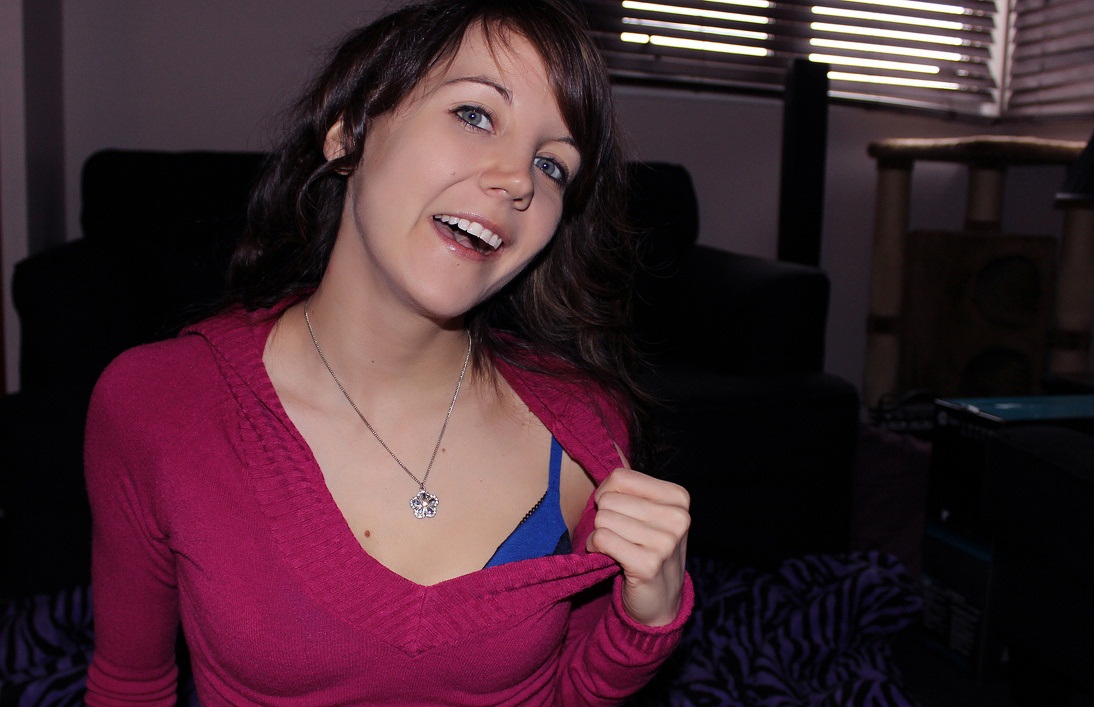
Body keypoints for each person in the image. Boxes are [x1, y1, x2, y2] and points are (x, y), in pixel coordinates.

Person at [82, 0, 693, 704]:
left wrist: (647, 624)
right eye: (475, 114)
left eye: (552, 165)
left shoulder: (586, 434)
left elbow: (565, 691)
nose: (518, 180)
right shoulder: (156, 405)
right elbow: (130, 684)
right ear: (350, 131)